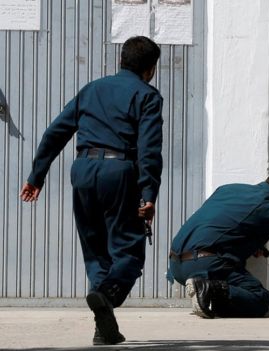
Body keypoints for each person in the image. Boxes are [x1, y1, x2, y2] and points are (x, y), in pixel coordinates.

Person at [20, 36, 163, 344]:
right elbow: (149, 150)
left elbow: (56, 131)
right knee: (128, 248)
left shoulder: (92, 89)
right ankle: (107, 294)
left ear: (121, 61)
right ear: (151, 69)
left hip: (83, 170)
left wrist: (37, 176)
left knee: (95, 248)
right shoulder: (147, 95)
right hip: (119, 171)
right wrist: (149, 194)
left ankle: (103, 327)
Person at [168, 169, 269, 318]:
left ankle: (208, 294)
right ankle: (209, 288)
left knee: (229, 301)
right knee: (260, 299)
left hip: (176, 265)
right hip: (204, 265)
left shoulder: (227, 188)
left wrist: (254, 240)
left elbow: (228, 223)